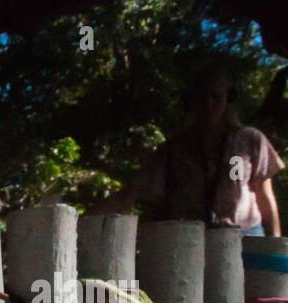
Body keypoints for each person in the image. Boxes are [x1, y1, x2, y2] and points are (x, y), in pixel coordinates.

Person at [104, 64, 283, 235]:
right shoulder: (173, 149)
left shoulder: (250, 139)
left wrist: (275, 247)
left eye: (216, 96)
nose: (209, 104)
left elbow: (265, 196)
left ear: (228, 99)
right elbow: (132, 191)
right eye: (201, 97)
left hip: (245, 235)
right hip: (193, 241)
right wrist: (82, 222)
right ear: (190, 101)